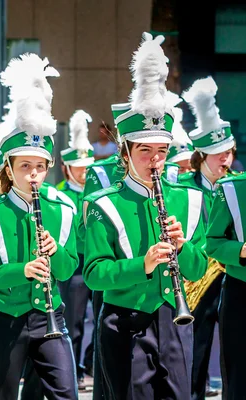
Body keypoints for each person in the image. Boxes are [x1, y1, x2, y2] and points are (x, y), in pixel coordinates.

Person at [83, 33, 207, 399]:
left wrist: (182, 248)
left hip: (175, 319)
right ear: (126, 151)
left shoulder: (189, 199)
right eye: (145, 151)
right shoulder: (104, 204)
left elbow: (198, 270)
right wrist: (144, 264)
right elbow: (93, 274)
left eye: (162, 151)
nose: (155, 160)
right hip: (124, 322)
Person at [0, 53, 78, 400]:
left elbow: (68, 267)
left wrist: (55, 251)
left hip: (50, 316)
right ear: (10, 168)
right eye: (25, 166)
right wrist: (24, 270)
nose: (33, 175)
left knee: (66, 392)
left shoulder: (62, 208)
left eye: (40, 167)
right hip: (4, 320)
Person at [180, 76, 237, 400]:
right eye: (218, 155)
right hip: (196, 281)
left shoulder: (234, 186)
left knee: (232, 354)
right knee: (196, 352)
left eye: (228, 153)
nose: (225, 160)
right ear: (201, 155)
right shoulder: (186, 189)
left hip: (231, 281)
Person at [57, 110, 95, 391]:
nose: (84, 172)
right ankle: (76, 369)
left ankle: (93, 362)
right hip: (75, 265)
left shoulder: (96, 191)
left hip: (98, 260)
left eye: (86, 167)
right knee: (75, 321)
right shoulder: (59, 194)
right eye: (78, 167)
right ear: (66, 168)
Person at [205, 172, 246, 400]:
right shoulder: (231, 188)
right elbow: (213, 243)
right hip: (241, 290)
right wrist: (241, 250)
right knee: (238, 377)